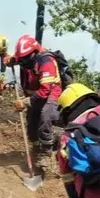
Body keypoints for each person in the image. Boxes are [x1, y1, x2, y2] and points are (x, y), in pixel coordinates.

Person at [9, 34, 63, 169]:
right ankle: (36, 149)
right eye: (21, 58)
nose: (23, 61)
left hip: (51, 93)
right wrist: (11, 60)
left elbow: (45, 91)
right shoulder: (26, 58)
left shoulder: (46, 62)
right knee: (31, 122)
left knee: (45, 117)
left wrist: (25, 102)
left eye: (25, 58)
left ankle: (46, 153)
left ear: (34, 53)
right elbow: (18, 58)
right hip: (36, 93)